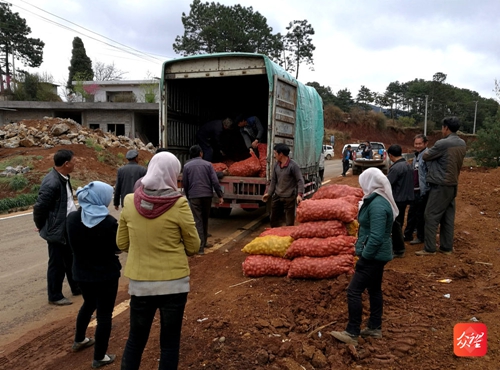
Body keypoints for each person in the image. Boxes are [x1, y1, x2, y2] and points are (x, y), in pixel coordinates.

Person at [117, 151, 200, 369]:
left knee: (136, 340)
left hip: (141, 283)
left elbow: (122, 244)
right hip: (174, 284)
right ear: (174, 173)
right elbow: (193, 247)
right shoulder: (180, 204)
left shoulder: (128, 201)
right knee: (170, 344)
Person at [330, 167, 397, 346]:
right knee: (374, 290)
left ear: (370, 183)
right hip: (377, 255)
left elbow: (376, 236)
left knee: (353, 291)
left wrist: (364, 257)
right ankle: (374, 328)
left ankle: (352, 332)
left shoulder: (377, 205)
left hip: (373, 256)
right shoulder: (377, 200)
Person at [66, 181, 120, 369]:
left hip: (81, 273)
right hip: (106, 275)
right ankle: (99, 357)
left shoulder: (72, 218)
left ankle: (79, 339)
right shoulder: (109, 223)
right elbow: (117, 248)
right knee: (104, 313)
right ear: (100, 198)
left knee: (88, 304)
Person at [33, 149, 80, 306]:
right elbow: (40, 208)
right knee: (57, 263)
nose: (75, 164)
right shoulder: (52, 182)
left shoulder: (63, 177)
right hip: (57, 229)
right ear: (66, 164)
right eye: (74, 161)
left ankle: (76, 287)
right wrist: (42, 226)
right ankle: (54, 295)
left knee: (70, 258)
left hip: (66, 226)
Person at [416, 117, 466, 256]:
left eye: (442, 127)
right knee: (447, 217)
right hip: (452, 184)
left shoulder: (443, 143)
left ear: (446, 128)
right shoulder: (462, 143)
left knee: (431, 215)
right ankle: (446, 247)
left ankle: (430, 248)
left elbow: (426, 156)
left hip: (440, 184)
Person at [182, 145, 224, 255]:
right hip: (206, 196)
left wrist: (188, 195)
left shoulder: (186, 166)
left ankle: (200, 246)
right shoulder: (208, 165)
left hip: (194, 196)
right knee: (205, 219)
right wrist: (220, 195)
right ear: (201, 153)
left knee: (198, 220)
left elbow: (185, 183)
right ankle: (203, 243)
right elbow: (215, 181)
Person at [262, 143, 304, 227]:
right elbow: (273, 181)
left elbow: (300, 180)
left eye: (275, 153)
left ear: (281, 154)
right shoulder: (276, 165)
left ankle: (289, 237)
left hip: (289, 197)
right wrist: (269, 193)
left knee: (289, 222)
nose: (274, 156)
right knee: (273, 220)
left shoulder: (293, 166)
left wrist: (299, 195)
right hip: (277, 195)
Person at [386, 144, 414, 258]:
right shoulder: (407, 165)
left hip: (397, 198)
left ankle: (398, 249)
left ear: (391, 155)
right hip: (406, 197)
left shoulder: (396, 168)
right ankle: (398, 244)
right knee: (400, 221)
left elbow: (387, 183)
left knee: (395, 224)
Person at [404, 135, 430, 244]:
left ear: (425, 143)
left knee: (420, 215)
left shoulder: (427, 156)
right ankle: (408, 234)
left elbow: (429, 173)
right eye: (416, 144)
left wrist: (427, 189)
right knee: (411, 213)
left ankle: (421, 237)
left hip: (423, 191)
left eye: (420, 144)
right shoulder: (416, 156)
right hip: (415, 190)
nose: (417, 146)